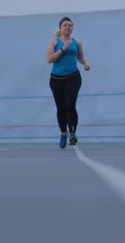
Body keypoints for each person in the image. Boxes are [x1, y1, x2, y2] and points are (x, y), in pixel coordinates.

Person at [46, 16, 90, 149]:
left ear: (72, 28)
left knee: (70, 104)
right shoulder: (54, 42)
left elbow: (80, 57)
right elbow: (49, 59)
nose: (67, 27)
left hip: (73, 77)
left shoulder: (77, 42)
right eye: (65, 25)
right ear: (60, 28)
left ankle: (72, 133)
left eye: (70, 25)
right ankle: (63, 133)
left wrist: (85, 63)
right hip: (56, 79)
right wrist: (63, 48)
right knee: (60, 107)